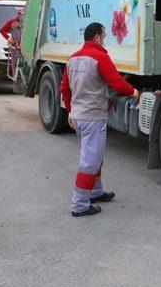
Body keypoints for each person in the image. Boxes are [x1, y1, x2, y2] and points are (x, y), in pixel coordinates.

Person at [59, 22, 139, 217]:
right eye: (103, 36)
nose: (104, 40)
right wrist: (133, 91)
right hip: (93, 117)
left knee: (94, 157)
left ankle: (95, 192)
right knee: (90, 162)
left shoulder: (72, 59)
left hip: (79, 117)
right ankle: (79, 205)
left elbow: (64, 89)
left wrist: (70, 111)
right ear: (96, 37)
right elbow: (117, 83)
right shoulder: (100, 57)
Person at [0, 8, 23, 77]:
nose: (21, 15)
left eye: (22, 14)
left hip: (25, 46)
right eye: (20, 14)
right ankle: (15, 78)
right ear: (18, 14)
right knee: (15, 64)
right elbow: (2, 30)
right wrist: (8, 38)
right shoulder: (12, 22)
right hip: (14, 46)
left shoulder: (28, 23)